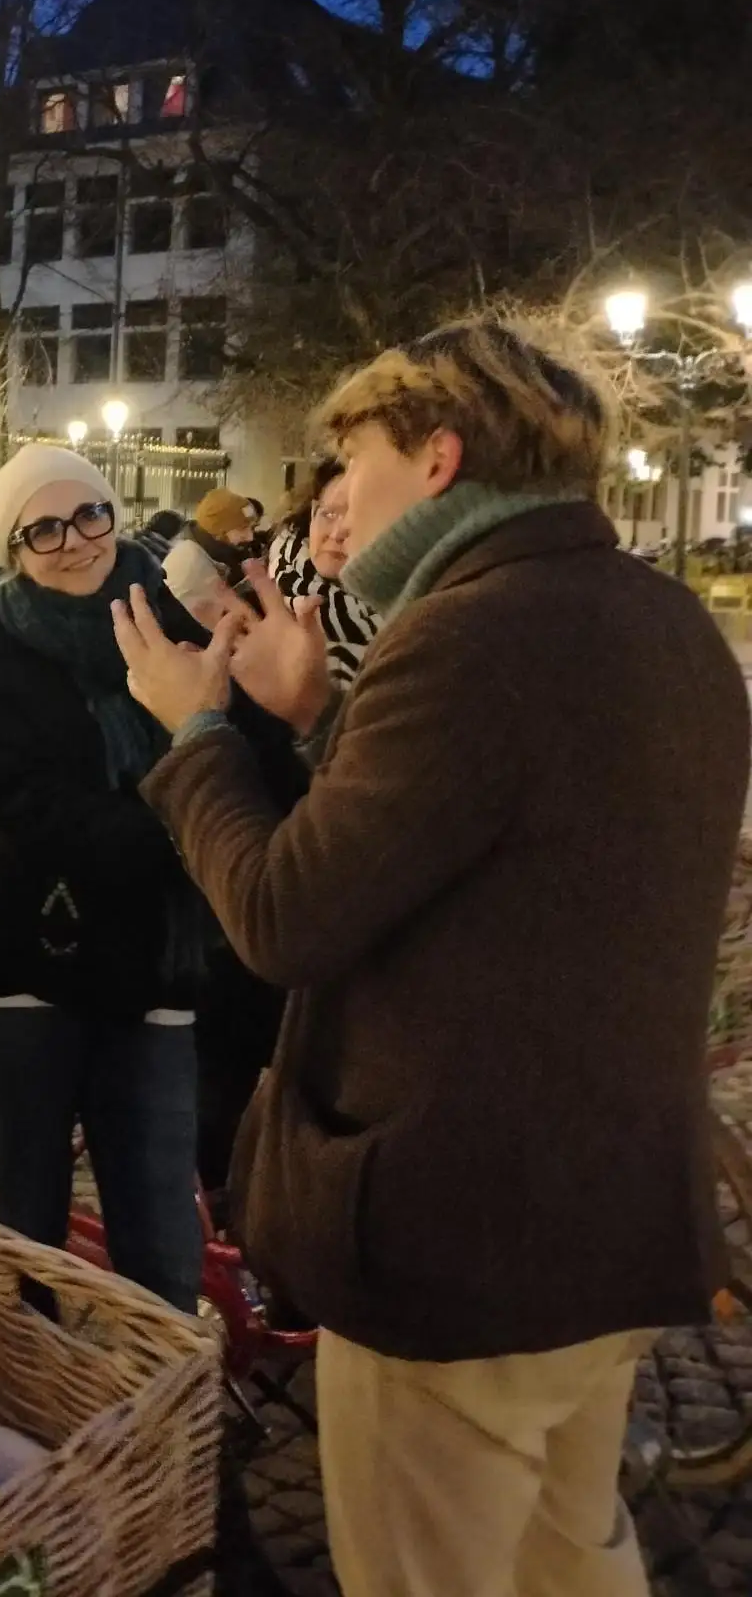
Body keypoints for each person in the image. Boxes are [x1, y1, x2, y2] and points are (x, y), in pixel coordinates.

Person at [111, 320, 749, 1597]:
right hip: (611, 1215)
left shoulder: (467, 636)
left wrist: (195, 740)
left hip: (464, 1244)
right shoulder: (665, 619)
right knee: (570, 1556)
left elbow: (287, 914)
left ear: (441, 458)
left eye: (358, 460)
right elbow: (492, 837)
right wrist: (321, 715)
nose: (340, 496)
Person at [0, 444, 216, 1315]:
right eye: (42, 528)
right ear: (10, 549)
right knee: (28, 1216)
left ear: (114, 516)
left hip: (152, 961)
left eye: (89, 514)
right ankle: (30, 1400)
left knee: (161, 1217)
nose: (74, 541)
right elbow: (26, 811)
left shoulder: (180, 628)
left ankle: (162, 1411)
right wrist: (187, 831)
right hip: (21, 961)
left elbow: (232, 750)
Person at [266, 458, 378, 691]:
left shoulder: (409, 614)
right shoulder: (265, 603)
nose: (336, 534)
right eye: (328, 514)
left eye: (355, 518)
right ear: (313, 512)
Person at [162, 488, 257, 628]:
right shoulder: (192, 563)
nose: (250, 537)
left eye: (252, 528)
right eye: (242, 529)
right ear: (218, 530)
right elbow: (229, 621)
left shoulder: (200, 551)